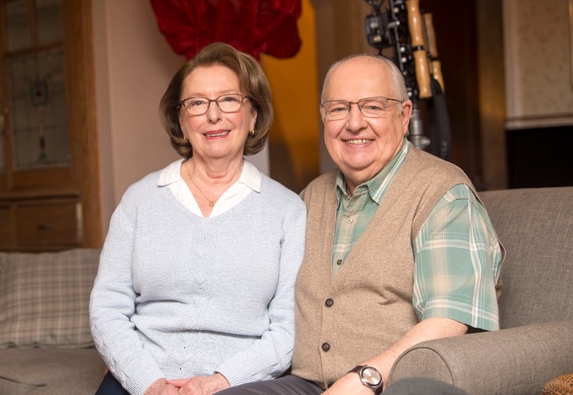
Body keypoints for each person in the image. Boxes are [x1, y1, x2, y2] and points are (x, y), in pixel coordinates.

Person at [214, 53, 504, 395]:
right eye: (338, 108)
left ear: (404, 114)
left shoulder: (442, 194)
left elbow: (448, 321)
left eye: (373, 106)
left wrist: (366, 378)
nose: (354, 123)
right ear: (324, 117)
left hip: (396, 384)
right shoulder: (310, 198)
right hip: (305, 384)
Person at [89, 42, 307, 395]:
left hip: (240, 384)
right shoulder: (139, 200)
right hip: (142, 380)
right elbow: (107, 308)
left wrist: (220, 382)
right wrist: (149, 383)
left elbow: (289, 328)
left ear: (253, 116)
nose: (213, 115)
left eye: (229, 100)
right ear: (180, 120)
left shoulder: (287, 211)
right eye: (197, 103)